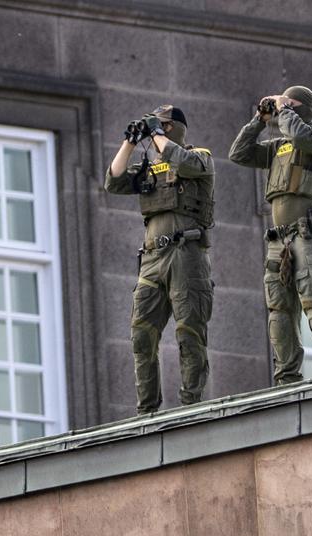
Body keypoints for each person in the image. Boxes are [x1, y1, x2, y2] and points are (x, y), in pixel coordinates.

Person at [228, 85, 312, 384]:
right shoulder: (277, 148)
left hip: (310, 236)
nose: (280, 107)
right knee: (279, 312)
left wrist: (284, 109)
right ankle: (287, 376)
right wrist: (259, 120)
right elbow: (239, 153)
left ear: (302, 108)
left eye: (290, 102)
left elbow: (301, 136)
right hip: (279, 240)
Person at [103, 105, 216, 414]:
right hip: (152, 258)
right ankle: (147, 410)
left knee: (189, 331)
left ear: (174, 129)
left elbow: (181, 160)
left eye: (164, 126)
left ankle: (191, 404)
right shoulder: (149, 169)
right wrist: (130, 141)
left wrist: (156, 133)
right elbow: (113, 182)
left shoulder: (199, 158)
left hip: (186, 255)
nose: (158, 132)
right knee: (141, 333)